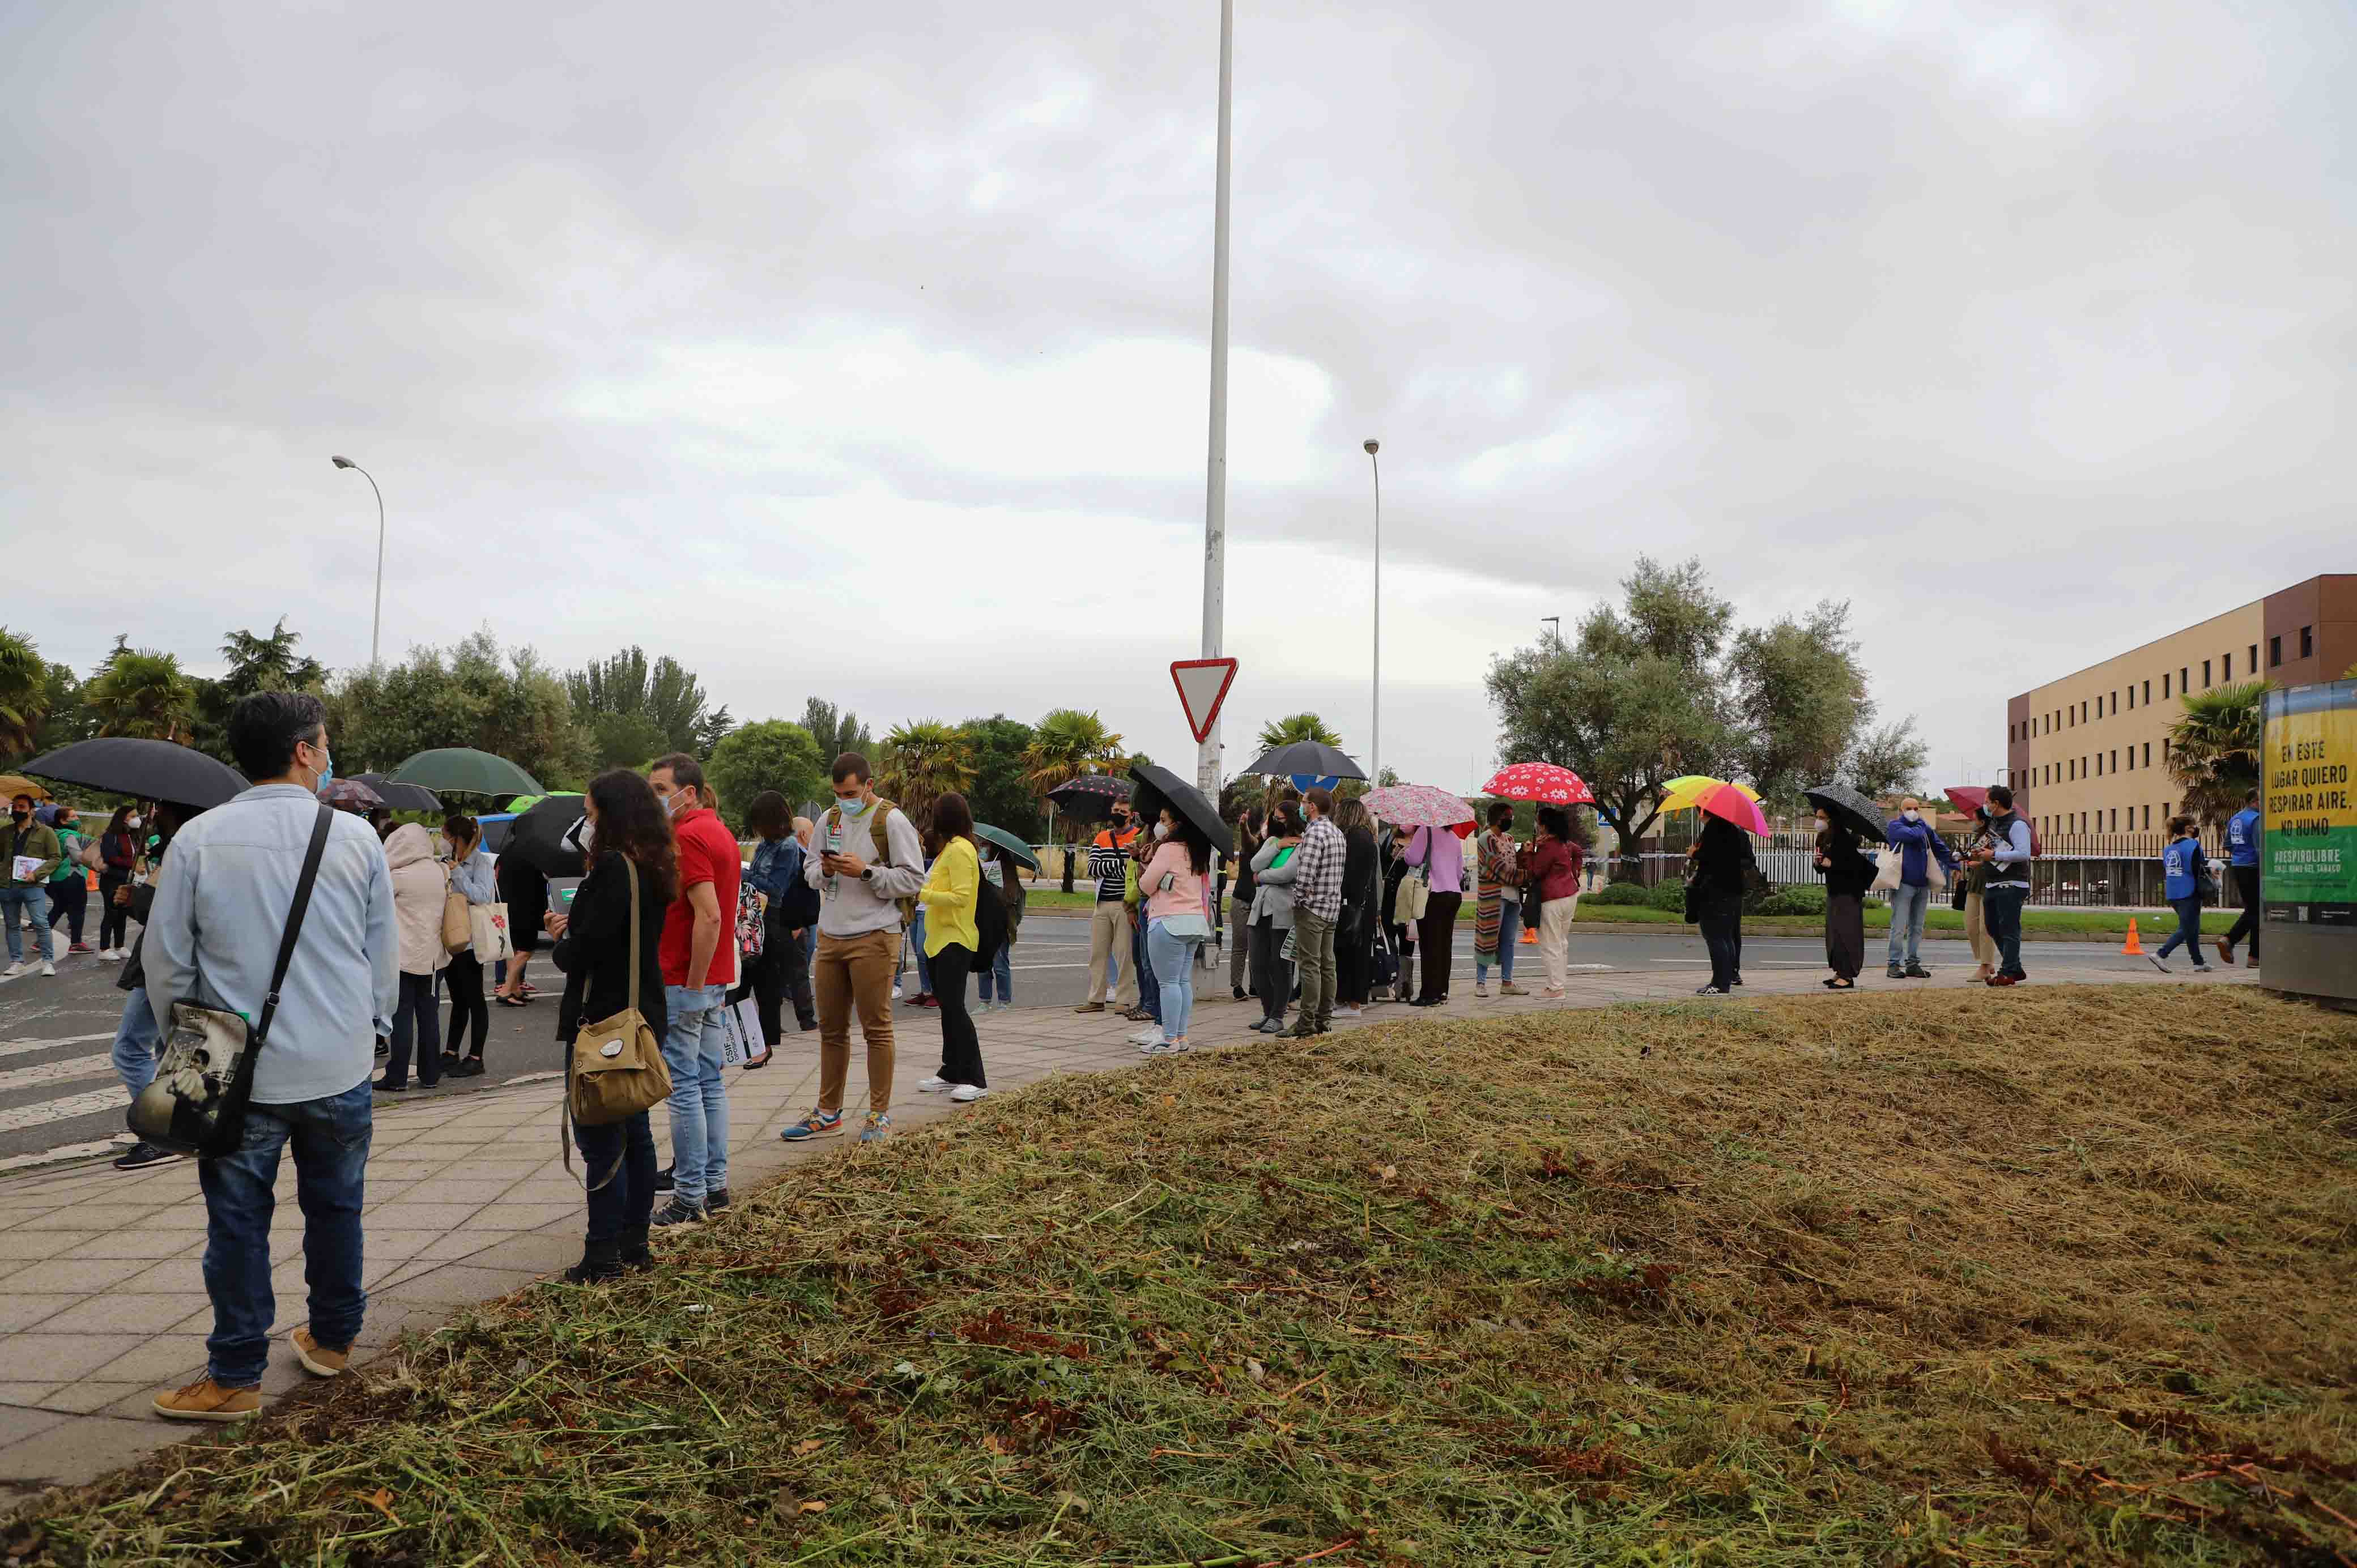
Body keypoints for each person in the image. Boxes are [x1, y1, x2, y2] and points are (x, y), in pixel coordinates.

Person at [143, 693, 397, 1422]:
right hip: (339, 1061)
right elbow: (381, 957)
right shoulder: (354, 839)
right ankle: (334, 1338)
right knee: (337, 1205)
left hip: (227, 1063)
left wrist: (184, 1040)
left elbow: (167, 959)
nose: (327, 753)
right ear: (305, 750)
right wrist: (373, 1026)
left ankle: (234, 1374)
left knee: (237, 1222)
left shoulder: (199, 838)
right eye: (324, 742)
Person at [546, 769, 677, 1282]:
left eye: (590, 809)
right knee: (636, 1133)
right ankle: (634, 1243)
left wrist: (562, 936)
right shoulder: (653, 864)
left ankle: (602, 1255)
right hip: (642, 1013)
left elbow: (585, 950)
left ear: (608, 812)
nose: (586, 818)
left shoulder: (612, 870)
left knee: (601, 1140)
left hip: (604, 1023)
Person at [783, 752, 928, 1145]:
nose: (844, 799)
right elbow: (809, 870)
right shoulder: (829, 820)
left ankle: (879, 1115)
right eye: (837, 793)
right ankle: (828, 1113)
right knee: (831, 1029)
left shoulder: (891, 820)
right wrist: (827, 870)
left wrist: (866, 871)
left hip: (875, 935)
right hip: (831, 936)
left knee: (876, 1028)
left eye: (850, 792)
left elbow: (914, 879)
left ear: (869, 785)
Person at [645, 753, 741, 1225]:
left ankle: (689, 1195)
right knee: (708, 1083)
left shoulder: (687, 836)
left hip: (687, 977)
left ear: (690, 792)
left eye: (662, 791)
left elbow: (709, 915)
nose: (655, 799)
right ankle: (714, 1185)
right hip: (710, 976)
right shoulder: (718, 830)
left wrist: (694, 979)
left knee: (684, 1088)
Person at [913, 791, 990, 1101]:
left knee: (956, 1008)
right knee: (947, 1007)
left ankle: (975, 1077)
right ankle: (951, 1069)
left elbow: (959, 896)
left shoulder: (960, 850)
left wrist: (923, 894)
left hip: (956, 939)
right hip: (938, 941)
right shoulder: (949, 850)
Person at [373, 824, 450, 1091]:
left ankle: (398, 1077)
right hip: (434, 959)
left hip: (403, 959)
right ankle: (430, 1075)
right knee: (430, 1016)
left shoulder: (398, 876)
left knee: (402, 1018)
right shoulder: (441, 871)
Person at [738, 791, 818, 1047]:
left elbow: (776, 887)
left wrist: (744, 874)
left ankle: (769, 1039)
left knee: (769, 982)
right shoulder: (764, 846)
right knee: (744, 980)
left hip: (772, 917)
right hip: (753, 914)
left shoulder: (788, 846)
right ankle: (744, 1039)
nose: (757, 830)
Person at [1139, 802, 1211, 1054]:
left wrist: (1147, 865)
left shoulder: (1169, 849)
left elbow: (1146, 885)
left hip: (1168, 922)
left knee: (1167, 983)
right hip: (1193, 922)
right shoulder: (1198, 850)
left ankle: (1168, 1039)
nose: (1160, 825)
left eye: (1163, 820)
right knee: (1182, 982)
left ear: (1177, 823)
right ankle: (1181, 1036)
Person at [439, 814, 495, 1077]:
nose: (444, 842)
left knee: (475, 1000)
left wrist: (458, 873)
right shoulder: (450, 861)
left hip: (472, 941)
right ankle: (451, 1052)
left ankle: (476, 1056)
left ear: (458, 838)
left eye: (447, 837)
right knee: (459, 999)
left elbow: (483, 897)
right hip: (452, 940)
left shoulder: (479, 863)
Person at [1287, 787, 1346, 1038]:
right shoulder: (1337, 832)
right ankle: (1324, 1019)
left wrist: (1298, 900)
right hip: (1331, 908)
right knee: (1327, 965)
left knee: (1309, 966)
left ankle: (1306, 1021)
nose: (1301, 805)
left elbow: (1306, 875)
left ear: (1312, 807)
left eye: (1303, 802)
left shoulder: (1314, 834)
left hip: (1312, 909)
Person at [1074, 801, 1141, 1014]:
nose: (1118, 815)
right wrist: (1122, 862)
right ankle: (1096, 998)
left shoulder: (1138, 836)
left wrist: (1118, 865)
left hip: (1124, 904)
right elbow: (1093, 868)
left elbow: (1137, 868)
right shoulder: (1101, 838)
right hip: (1102, 903)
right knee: (1098, 953)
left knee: (1124, 954)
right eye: (1115, 811)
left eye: (1122, 811)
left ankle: (1123, 1000)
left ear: (1130, 815)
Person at [1882, 797, 1958, 980]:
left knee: (1917, 927)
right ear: (1902, 810)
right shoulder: (1895, 826)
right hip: (1903, 884)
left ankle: (1913, 963)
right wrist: (1922, 825)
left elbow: (1939, 847)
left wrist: (1955, 866)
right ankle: (1893, 964)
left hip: (1921, 884)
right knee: (1899, 926)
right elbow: (1912, 836)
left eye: (1916, 808)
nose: (1913, 811)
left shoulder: (1923, 828)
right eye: (1909, 808)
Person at [1247, 799, 1304, 1033]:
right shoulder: (1273, 842)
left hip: (1283, 911)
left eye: (1281, 818)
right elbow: (1254, 864)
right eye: (1275, 818)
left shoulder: (1302, 845)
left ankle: (1278, 1015)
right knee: (1258, 965)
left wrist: (1262, 878)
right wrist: (1278, 846)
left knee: (1280, 965)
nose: (1277, 822)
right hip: (1260, 910)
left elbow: (1288, 874)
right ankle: (1267, 1010)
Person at [1686, 812, 1755, 995]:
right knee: (1726, 937)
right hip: (1732, 890)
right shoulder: (1735, 830)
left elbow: (1713, 858)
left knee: (1715, 937)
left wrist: (1695, 854)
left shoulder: (1715, 829)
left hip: (1715, 891)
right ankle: (1727, 978)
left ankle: (1719, 983)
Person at [1521, 806, 1584, 997]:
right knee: (1561, 942)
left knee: (1550, 944)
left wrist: (1529, 854)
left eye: (1538, 820)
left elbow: (1536, 872)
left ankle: (1556, 988)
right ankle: (1558, 983)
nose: (1536, 824)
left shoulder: (1548, 846)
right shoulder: (1563, 843)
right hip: (1569, 895)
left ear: (1544, 825)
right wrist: (1575, 871)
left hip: (1553, 898)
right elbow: (1578, 852)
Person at [1973, 784, 2032, 986]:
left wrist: (1994, 855)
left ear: (1996, 803)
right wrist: (1979, 856)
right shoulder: (1994, 825)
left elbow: (2024, 853)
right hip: (1993, 883)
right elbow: (1990, 852)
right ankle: (2014, 967)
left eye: (1987, 801)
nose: (1985, 805)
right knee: (1993, 928)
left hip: (2012, 884)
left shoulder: (2018, 825)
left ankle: (2007, 972)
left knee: (2009, 928)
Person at [1, 794, 62, 978]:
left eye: (22, 807)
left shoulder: (46, 832)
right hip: (7, 886)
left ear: (31, 810)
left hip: (33, 886)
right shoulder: (5, 832)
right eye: (15, 807)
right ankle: (16, 961)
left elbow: (56, 858)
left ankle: (48, 961)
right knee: (12, 925)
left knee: (41, 923)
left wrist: (37, 874)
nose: (17, 810)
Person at [1814, 809, 1875, 990]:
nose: (1818, 821)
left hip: (1848, 894)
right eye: (1818, 817)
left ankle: (1847, 975)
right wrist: (1819, 863)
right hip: (1835, 892)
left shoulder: (1844, 840)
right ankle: (1840, 972)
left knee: (1847, 934)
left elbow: (1852, 867)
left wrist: (1832, 864)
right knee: (1835, 934)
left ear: (1832, 820)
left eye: (1822, 818)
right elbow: (1827, 867)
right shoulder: (1828, 839)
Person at [1405, 821, 1465, 1007]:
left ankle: (1429, 994)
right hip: (1454, 894)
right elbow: (1459, 872)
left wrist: (1408, 848)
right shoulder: (1454, 837)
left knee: (1429, 944)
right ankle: (1442, 991)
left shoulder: (1425, 830)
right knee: (1444, 944)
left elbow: (1413, 859)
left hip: (1434, 893)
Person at [1473, 802, 1525, 999]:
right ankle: (1481, 983)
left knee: (1509, 942)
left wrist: (1526, 854)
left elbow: (1512, 863)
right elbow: (1497, 868)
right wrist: (1524, 876)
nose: (1510, 819)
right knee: (1487, 939)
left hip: (1512, 896)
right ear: (1497, 818)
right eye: (1507, 816)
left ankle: (1507, 982)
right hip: (1493, 896)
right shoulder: (1486, 839)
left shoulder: (1510, 838)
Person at [1333, 798, 1380, 1017]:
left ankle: (1351, 1003)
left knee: (1349, 952)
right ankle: (1352, 1000)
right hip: (1364, 903)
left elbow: (1350, 876)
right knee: (1358, 952)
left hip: (1353, 904)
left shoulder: (1354, 838)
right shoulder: (1366, 836)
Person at [2152, 815, 2213, 974]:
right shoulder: (2193, 845)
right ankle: (2161, 954)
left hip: (2173, 892)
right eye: (2195, 825)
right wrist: (2212, 872)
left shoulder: (2169, 848)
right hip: (2189, 891)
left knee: (2192, 927)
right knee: (2187, 929)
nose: (2196, 828)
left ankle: (2198, 962)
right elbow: (2197, 869)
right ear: (2188, 828)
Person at [974, 840, 1025, 1011]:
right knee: (983, 964)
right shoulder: (982, 869)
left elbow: (1012, 901)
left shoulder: (1009, 877)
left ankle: (1004, 1001)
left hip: (1001, 925)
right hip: (983, 923)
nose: (982, 849)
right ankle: (984, 1001)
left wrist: (995, 888)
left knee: (1000, 964)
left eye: (985, 846)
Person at [493, 847, 547, 1008]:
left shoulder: (506, 853)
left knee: (513, 949)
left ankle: (515, 989)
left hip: (507, 907)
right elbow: (538, 883)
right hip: (527, 908)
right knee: (526, 950)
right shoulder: (534, 854)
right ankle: (506, 989)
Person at [2218, 790, 2261, 969]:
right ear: (2254, 802)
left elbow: (2227, 844)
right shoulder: (2256, 819)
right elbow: (2260, 847)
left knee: (2254, 911)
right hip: (2253, 866)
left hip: (2239, 865)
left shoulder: (2235, 818)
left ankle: (2254, 956)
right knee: (2256, 911)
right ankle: (2231, 940)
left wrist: (2240, 854)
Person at [44, 806, 95, 955]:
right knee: (78, 909)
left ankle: (41, 941)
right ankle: (76, 943)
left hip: (53, 877)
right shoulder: (70, 835)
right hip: (71, 875)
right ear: (63, 821)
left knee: (59, 907)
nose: (77, 819)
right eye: (73, 817)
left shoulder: (53, 834)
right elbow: (77, 857)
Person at [1957, 807, 1998, 983]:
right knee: (1971, 926)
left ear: (1983, 820)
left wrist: (1979, 864)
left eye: (1974, 819)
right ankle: (1987, 962)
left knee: (1985, 928)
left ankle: (1985, 966)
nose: (1972, 822)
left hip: (1989, 884)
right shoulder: (1979, 837)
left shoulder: (1995, 836)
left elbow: (2000, 860)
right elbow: (1976, 856)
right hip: (1974, 884)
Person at [1228, 805, 1263, 1003]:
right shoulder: (1251, 843)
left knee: (1257, 945)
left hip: (1258, 901)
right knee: (1241, 946)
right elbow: (1249, 841)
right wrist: (1243, 828)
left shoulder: (1271, 842)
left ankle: (1255, 985)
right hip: (1242, 900)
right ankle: (1237, 986)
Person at [97, 805, 140, 959]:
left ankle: (119, 945)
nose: (136, 819)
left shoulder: (131, 835)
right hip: (111, 880)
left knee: (122, 913)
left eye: (137, 816)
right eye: (132, 816)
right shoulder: (111, 835)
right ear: (123, 818)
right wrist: (132, 865)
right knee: (111, 912)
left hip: (125, 879)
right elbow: (110, 857)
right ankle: (104, 949)